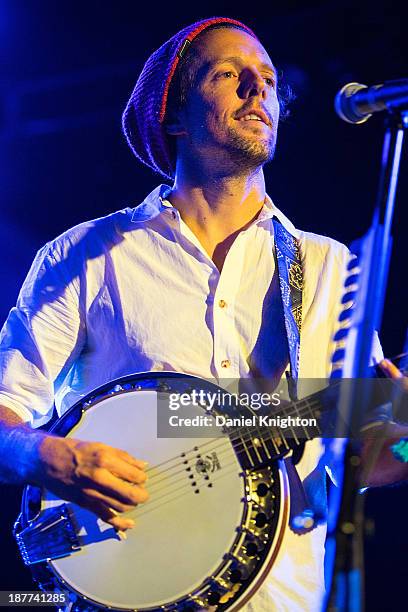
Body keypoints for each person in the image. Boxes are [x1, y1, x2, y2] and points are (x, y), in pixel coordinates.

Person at [0, 17, 406, 611]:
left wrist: (404, 440)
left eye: (267, 78)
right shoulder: (86, 255)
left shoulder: (329, 267)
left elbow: (367, 463)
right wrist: (45, 456)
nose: (258, 88)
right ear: (172, 114)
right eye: (228, 74)